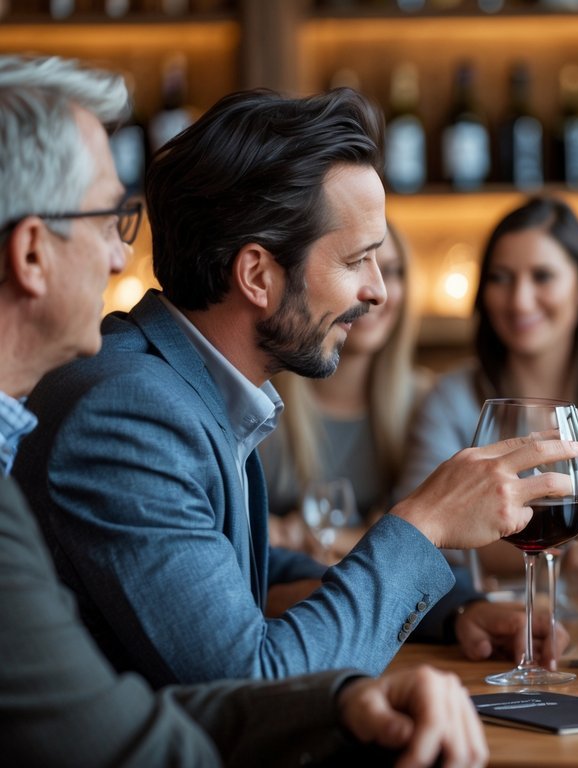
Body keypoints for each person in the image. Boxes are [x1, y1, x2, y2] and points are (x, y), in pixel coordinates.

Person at [0, 53, 485, 768]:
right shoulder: (128, 409)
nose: (379, 292)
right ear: (257, 274)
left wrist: (451, 612)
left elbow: (237, 565)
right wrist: (424, 525)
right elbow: (251, 677)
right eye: (358, 261)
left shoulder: (177, 382)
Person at [398, 195, 578, 579]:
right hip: (501, 613)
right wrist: (566, 563)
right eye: (501, 278)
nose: (519, 300)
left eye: (542, 276)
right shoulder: (452, 399)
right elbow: (417, 535)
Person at [262, 221, 428, 559]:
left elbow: (426, 541)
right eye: (352, 266)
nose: (376, 290)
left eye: (393, 272)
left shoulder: (425, 401)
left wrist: (299, 533)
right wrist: (366, 534)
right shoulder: (260, 399)